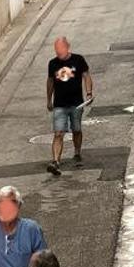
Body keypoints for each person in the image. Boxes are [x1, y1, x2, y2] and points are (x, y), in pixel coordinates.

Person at [46, 36, 93, 176]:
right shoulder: (53, 64)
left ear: (67, 47)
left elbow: (86, 76)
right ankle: (55, 161)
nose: (59, 52)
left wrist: (89, 93)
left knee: (76, 130)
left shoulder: (78, 60)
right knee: (58, 133)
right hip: (59, 104)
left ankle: (77, 152)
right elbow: (50, 82)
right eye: (57, 50)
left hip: (76, 103)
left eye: (61, 49)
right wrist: (49, 99)